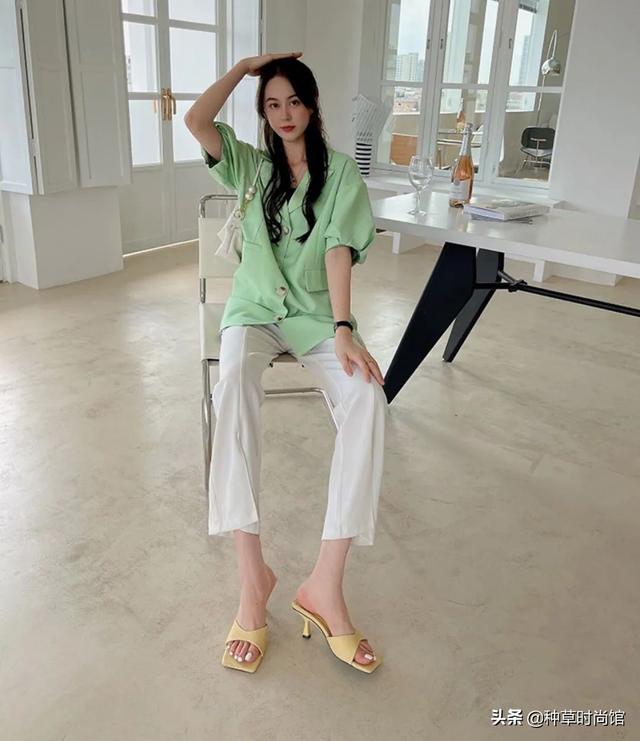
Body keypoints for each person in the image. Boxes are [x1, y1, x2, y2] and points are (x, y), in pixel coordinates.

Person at [185, 51, 386, 675]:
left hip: (316, 316)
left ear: (312, 103)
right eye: (272, 105)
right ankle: (253, 580)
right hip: (253, 311)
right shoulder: (250, 166)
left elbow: (337, 249)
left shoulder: (341, 174)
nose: (284, 114)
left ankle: (325, 583)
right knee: (232, 384)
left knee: (367, 398)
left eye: (294, 101)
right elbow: (197, 120)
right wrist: (244, 66)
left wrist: (344, 329)